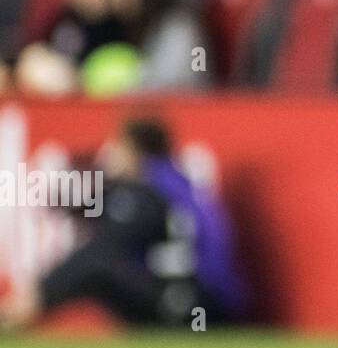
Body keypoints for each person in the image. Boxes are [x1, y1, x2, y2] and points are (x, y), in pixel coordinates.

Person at [0, 117, 246, 329]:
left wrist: (42, 291)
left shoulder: (147, 188)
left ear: (134, 150)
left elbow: (111, 241)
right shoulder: (172, 181)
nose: (109, 154)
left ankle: (19, 309)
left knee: (95, 262)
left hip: (194, 302)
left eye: (117, 146)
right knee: (100, 265)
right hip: (200, 299)